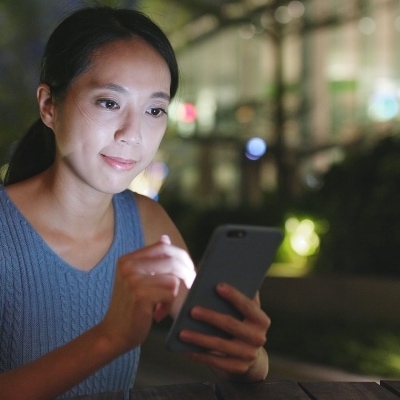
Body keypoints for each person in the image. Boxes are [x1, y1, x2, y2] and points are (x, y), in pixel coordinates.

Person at [0, 6, 271, 399]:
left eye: (154, 110)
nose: (133, 133)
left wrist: (247, 355)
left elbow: (239, 367)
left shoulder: (147, 223)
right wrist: (109, 338)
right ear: (48, 105)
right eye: (109, 102)